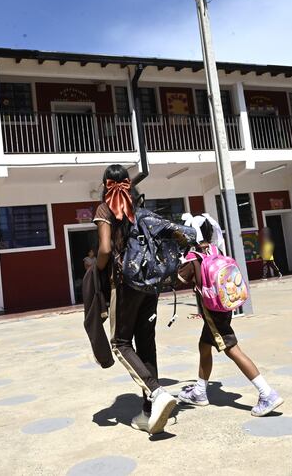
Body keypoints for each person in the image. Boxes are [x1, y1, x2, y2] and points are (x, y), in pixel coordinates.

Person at [93, 164, 177, 435]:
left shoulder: (105, 209)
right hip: (149, 285)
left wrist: (96, 268)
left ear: (105, 184)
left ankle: (157, 393)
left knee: (120, 343)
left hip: (125, 284)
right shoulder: (138, 207)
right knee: (146, 344)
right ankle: (150, 411)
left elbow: (105, 249)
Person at [177, 217, 284, 417]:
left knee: (232, 349)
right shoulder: (215, 250)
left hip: (212, 313)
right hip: (225, 307)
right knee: (204, 345)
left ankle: (267, 393)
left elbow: (178, 279)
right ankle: (199, 391)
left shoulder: (193, 257)